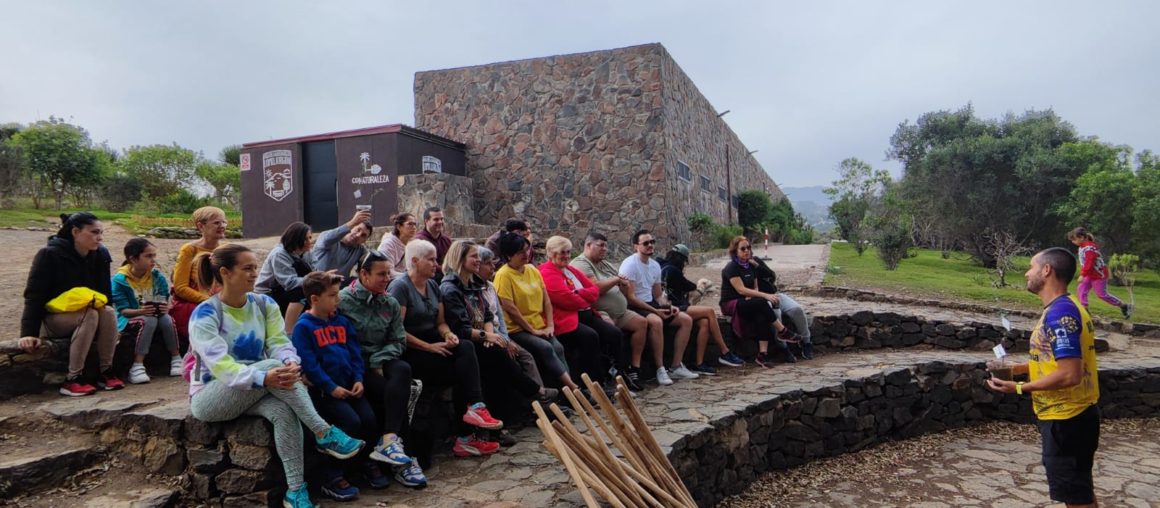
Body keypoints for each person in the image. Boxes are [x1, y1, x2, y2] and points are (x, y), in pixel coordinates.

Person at [186, 244, 365, 508]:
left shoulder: (264, 303)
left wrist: (291, 363)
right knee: (270, 364)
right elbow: (220, 366)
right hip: (212, 396)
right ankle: (323, 431)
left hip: (257, 387)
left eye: (255, 268)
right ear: (225, 272)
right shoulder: (206, 313)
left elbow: (280, 342)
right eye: (247, 268)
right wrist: (265, 376)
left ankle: (295, 491)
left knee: (283, 411)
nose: (254, 274)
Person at [987, 247, 1101, 508]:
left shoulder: (1061, 315)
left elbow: (1069, 374)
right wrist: (1019, 368)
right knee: (1079, 491)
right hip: (1071, 417)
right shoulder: (1064, 308)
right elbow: (1056, 361)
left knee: (1076, 498)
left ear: (1047, 270)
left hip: (1067, 419)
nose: (1027, 272)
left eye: (1031, 266)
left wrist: (1019, 388)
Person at [388, 239, 504, 457]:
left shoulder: (432, 285)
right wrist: (429, 347)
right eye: (430, 259)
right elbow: (397, 331)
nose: (436, 264)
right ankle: (466, 435)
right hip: (414, 350)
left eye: (435, 259)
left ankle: (474, 414)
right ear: (414, 261)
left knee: (466, 350)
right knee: (463, 370)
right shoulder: (401, 287)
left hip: (436, 343)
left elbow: (441, 322)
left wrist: (448, 335)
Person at [292, 272, 400, 501]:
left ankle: (366, 463)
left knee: (369, 420)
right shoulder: (304, 328)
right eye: (332, 295)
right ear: (314, 299)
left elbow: (355, 354)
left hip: (350, 387)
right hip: (326, 392)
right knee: (349, 422)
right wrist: (330, 387)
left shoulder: (341, 322)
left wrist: (359, 378)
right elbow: (310, 364)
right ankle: (332, 476)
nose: (337, 300)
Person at [441, 240, 551, 443]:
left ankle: (503, 421)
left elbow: (487, 315)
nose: (478, 260)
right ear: (460, 259)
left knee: (499, 356)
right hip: (463, 345)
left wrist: (492, 336)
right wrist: (488, 337)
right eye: (473, 256)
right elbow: (461, 329)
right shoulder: (450, 289)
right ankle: (534, 393)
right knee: (497, 359)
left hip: (480, 340)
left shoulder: (473, 284)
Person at [337, 250, 426, 489]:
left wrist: (379, 360)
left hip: (382, 360)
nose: (387, 278)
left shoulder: (390, 303)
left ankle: (388, 440)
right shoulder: (343, 301)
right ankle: (403, 460)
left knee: (403, 369)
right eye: (381, 274)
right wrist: (370, 363)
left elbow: (398, 340)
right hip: (356, 365)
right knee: (393, 394)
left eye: (389, 273)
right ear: (364, 274)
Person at [19, 212, 124, 396]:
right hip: (54, 320)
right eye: (94, 232)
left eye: (101, 232)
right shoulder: (49, 255)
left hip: (87, 316)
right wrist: (28, 333)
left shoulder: (100, 255)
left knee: (106, 311)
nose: (99, 237)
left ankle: (105, 371)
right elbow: (34, 296)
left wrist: (114, 328)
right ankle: (73, 378)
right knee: (89, 314)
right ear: (75, 232)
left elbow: (105, 294)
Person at [540, 236, 634, 394]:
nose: (567, 256)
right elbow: (569, 301)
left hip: (586, 314)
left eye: (568, 252)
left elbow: (594, 291)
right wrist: (582, 295)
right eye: (562, 252)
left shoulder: (570, 270)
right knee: (590, 337)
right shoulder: (546, 272)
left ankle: (618, 374)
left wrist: (578, 292)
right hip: (566, 320)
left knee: (614, 334)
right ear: (551, 253)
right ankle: (595, 385)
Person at [494, 233, 583, 393]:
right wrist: (532, 330)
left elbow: (546, 300)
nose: (526, 254)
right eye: (520, 252)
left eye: (527, 250)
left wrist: (549, 325)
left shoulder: (531, 270)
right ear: (509, 255)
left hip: (539, 324)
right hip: (518, 329)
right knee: (545, 348)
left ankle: (567, 391)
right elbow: (510, 309)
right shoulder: (503, 276)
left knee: (558, 347)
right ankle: (573, 389)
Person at [571, 232, 658, 391]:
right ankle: (614, 375)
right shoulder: (581, 264)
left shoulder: (604, 264)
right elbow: (596, 289)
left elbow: (622, 281)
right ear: (588, 245)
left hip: (621, 311)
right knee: (612, 333)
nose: (605, 249)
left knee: (642, 323)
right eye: (601, 245)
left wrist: (620, 283)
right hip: (599, 312)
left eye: (606, 245)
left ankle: (634, 369)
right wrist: (617, 280)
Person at [619, 230, 697, 385]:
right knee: (656, 321)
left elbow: (658, 295)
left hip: (650, 304)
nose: (650, 245)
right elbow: (630, 297)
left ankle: (676, 366)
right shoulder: (630, 264)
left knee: (685, 320)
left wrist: (669, 306)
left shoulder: (655, 266)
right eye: (646, 243)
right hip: (635, 305)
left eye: (652, 242)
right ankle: (660, 368)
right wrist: (655, 311)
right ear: (636, 246)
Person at [477, 246, 552, 398]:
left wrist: (506, 339)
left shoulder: (490, 287)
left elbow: (499, 316)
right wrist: (505, 339)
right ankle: (541, 397)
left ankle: (543, 398)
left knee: (536, 353)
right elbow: (488, 317)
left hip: (501, 334)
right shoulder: (484, 286)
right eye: (488, 264)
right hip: (489, 337)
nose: (493, 267)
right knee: (529, 354)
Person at [660, 244, 747, 374]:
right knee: (709, 312)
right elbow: (689, 286)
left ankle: (699, 363)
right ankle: (725, 351)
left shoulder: (662, 266)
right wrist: (700, 285)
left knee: (705, 322)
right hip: (676, 307)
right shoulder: (673, 270)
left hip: (678, 305)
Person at [719, 236, 801, 366]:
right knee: (762, 302)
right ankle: (782, 331)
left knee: (762, 314)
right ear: (736, 251)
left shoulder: (751, 265)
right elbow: (741, 290)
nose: (747, 251)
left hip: (746, 301)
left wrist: (755, 295)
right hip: (732, 303)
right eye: (743, 249)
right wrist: (765, 296)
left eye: (748, 248)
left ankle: (762, 355)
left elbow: (754, 286)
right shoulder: (731, 267)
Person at [111, 238, 182, 384]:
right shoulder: (120, 281)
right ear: (133, 259)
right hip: (131, 318)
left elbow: (164, 299)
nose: (153, 260)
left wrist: (164, 307)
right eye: (148, 256)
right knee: (148, 320)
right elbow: (123, 311)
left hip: (155, 315)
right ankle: (137, 365)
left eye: (154, 256)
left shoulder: (156, 276)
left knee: (166, 319)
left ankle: (176, 358)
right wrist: (141, 311)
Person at [170, 206, 228, 347]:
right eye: (216, 223)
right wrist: (209, 301)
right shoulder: (190, 250)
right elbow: (180, 287)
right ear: (200, 226)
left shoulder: (226, 249)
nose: (222, 226)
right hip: (196, 303)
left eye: (224, 222)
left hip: (223, 300)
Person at [255, 222, 315, 321]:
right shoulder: (279, 254)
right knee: (300, 293)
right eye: (306, 239)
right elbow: (289, 283)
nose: (310, 242)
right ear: (296, 240)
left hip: (285, 289)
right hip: (268, 292)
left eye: (310, 237)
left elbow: (313, 271)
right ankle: (289, 329)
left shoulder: (306, 252)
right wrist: (313, 278)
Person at [1067, 227, 1131, 319]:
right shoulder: (1082, 247)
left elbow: (1089, 263)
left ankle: (1123, 305)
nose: (1073, 242)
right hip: (1090, 274)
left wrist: (1082, 275)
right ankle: (1085, 311)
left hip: (1099, 274)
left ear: (1081, 237)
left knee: (1101, 294)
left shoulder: (1089, 248)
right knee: (1081, 289)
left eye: (1074, 239)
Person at [312, 209, 373, 282]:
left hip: (340, 286)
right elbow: (326, 239)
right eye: (358, 229)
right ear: (352, 227)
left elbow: (371, 262)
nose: (358, 235)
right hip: (318, 283)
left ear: (364, 241)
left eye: (363, 235)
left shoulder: (360, 250)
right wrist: (352, 222)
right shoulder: (329, 239)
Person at [376, 213, 418, 279]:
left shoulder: (411, 242)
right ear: (399, 227)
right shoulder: (388, 244)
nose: (414, 227)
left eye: (415, 224)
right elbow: (388, 272)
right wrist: (410, 276)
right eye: (410, 224)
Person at [414, 207, 451, 272]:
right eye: (436, 219)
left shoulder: (447, 240)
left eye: (442, 219)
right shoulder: (420, 240)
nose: (440, 222)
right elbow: (427, 265)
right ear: (426, 221)